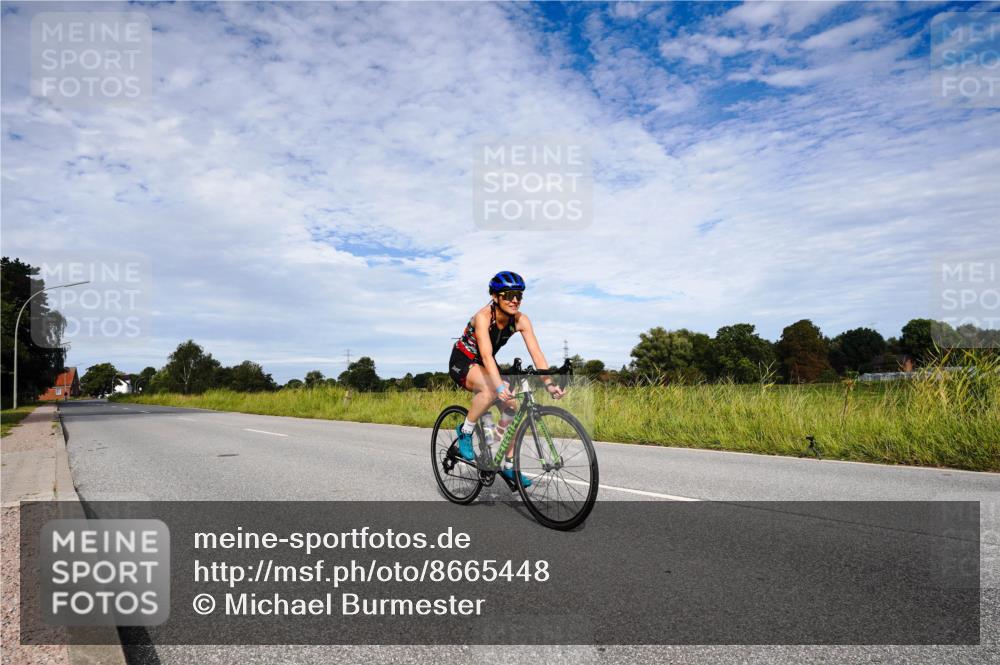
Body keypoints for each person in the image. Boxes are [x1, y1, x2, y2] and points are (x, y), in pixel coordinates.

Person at [448, 271, 565, 486]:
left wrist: (549, 384)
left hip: (485, 363)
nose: (515, 300)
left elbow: (537, 354)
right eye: (509, 295)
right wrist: (499, 385)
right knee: (492, 389)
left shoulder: (521, 320)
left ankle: (509, 465)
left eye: (519, 296)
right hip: (463, 361)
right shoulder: (483, 317)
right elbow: (485, 355)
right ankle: (465, 431)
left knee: (512, 407)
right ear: (495, 296)